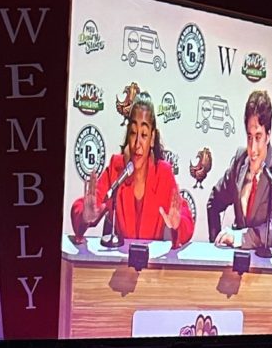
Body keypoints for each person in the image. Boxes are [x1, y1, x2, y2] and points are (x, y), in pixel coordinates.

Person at [71, 94, 194, 247]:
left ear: (152, 137)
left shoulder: (163, 173)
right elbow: (83, 206)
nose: (137, 144)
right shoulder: (116, 168)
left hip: (151, 265)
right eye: (133, 133)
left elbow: (186, 219)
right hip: (120, 266)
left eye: (143, 135)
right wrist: (84, 216)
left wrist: (177, 224)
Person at [206, 90, 272, 250]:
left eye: (258, 137)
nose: (253, 148)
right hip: (236, 262)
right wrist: (214, 248)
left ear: (268, 135)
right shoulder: (240, 160)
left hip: (263, 264)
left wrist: (239, 237)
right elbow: (214, 201)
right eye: (249, 137)